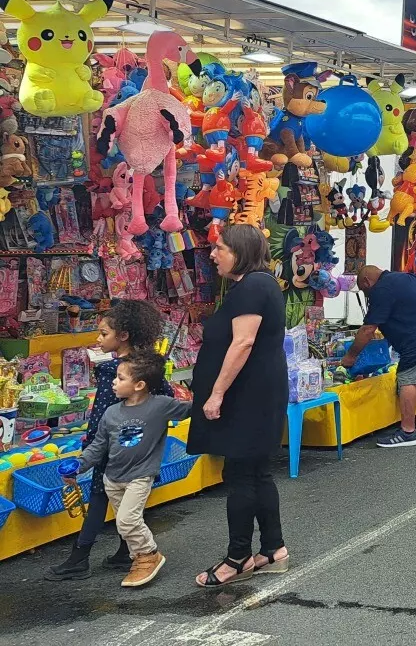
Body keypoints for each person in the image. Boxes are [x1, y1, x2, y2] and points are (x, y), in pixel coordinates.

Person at [188, 223, 289, 588]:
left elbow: (242, 343)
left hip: (248, 397)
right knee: (257, 472)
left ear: (240, 252)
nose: (213, 255)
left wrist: (216, 394)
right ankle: (273, 548)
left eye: (220, 249)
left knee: (241, 475)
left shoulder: (253, 286)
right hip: (257, 394)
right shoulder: (256, 285)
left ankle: (238, 557)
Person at [45, 301, 171, 581]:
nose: (98, 339)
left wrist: (91, 446)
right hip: (132, 446)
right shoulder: (144, 367)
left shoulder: (116, 371)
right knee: (123, 499)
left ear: (123, 335)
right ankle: (124, 551)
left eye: (104, 334)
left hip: (110, 445)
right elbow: (166, 396)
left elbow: (102, 414)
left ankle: (80, 557)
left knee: (101, 498)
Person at [63, 352, 190, 588]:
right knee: (125, 523)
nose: (113, 381)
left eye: (120, 378)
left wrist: (216, 396)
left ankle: (149, 554)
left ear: (139, 385)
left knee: (127, 520)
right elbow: (98, 446)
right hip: (113, 479)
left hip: (140, 477)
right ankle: (139, 558)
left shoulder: (160, 406)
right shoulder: (111, 413)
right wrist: (79, 465)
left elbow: (190, 410)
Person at [344, 265, 416, 448]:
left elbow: (368, 330)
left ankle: (408, 431)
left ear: (367, 282)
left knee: (407, 378)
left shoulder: (381, 289)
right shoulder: (403, 278)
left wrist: (351, 356)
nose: (366, 295)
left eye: (363, 290)